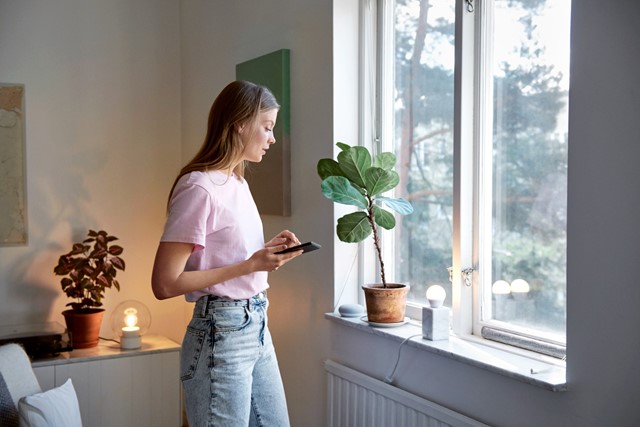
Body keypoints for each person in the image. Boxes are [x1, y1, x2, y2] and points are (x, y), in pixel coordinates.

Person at [151, 80, 302, 426]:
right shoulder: (198, 187)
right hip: (221, 332)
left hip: (257, 324)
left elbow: (228, 258)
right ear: (240, 124)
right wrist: (249, 264)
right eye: (266, 128)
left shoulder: (237, 183)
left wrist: (263, 254)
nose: (272, 138)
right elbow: (164, 283)